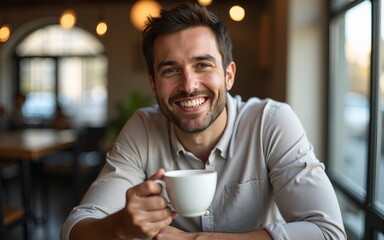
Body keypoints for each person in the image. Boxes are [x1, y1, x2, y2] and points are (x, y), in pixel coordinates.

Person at [61, 3, 346, 240]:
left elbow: (328, 232)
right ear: (152, 84)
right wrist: (120, 226)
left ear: (229, 75)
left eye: (203, 65)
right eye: (170, 70)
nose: (188, 85)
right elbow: (74, 228)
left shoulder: (270, 122)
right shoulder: (143, 128)